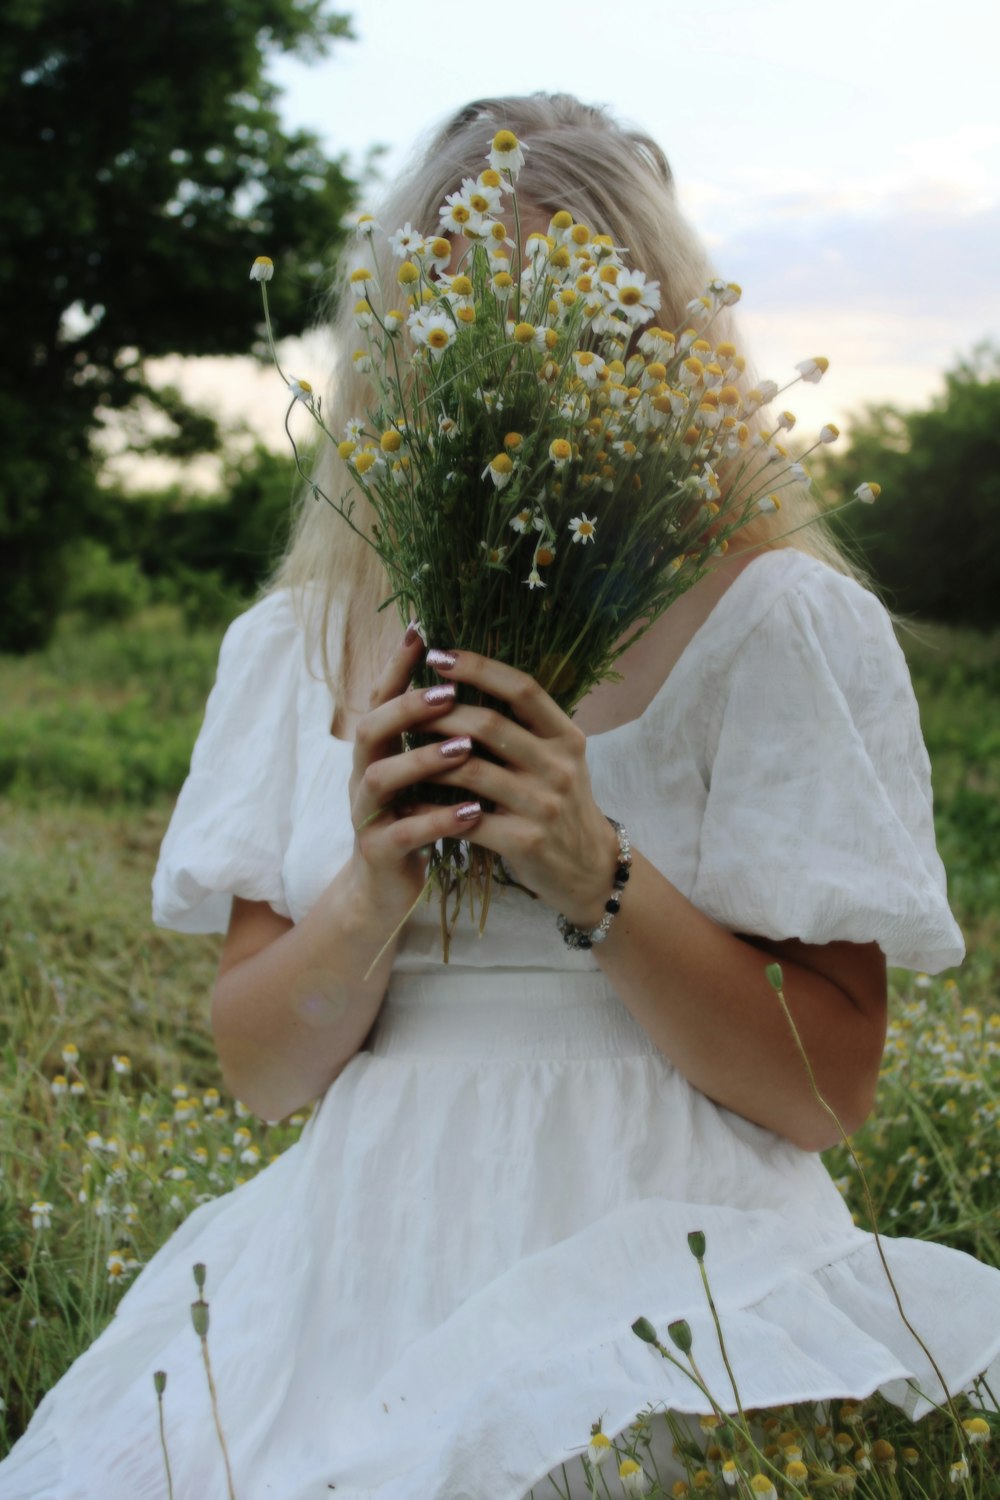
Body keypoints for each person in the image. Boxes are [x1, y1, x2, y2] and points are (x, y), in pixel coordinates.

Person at [4, 92, 999, 1500]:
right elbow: (261, 1076)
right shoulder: (298, 640)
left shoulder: (774, 619)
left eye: (577, 323)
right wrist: (368, 891)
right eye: (453, 322)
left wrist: (593, 868)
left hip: (671, 1263)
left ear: (663, 343)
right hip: (352, 1273)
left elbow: (828, 1086)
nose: (514, 371)